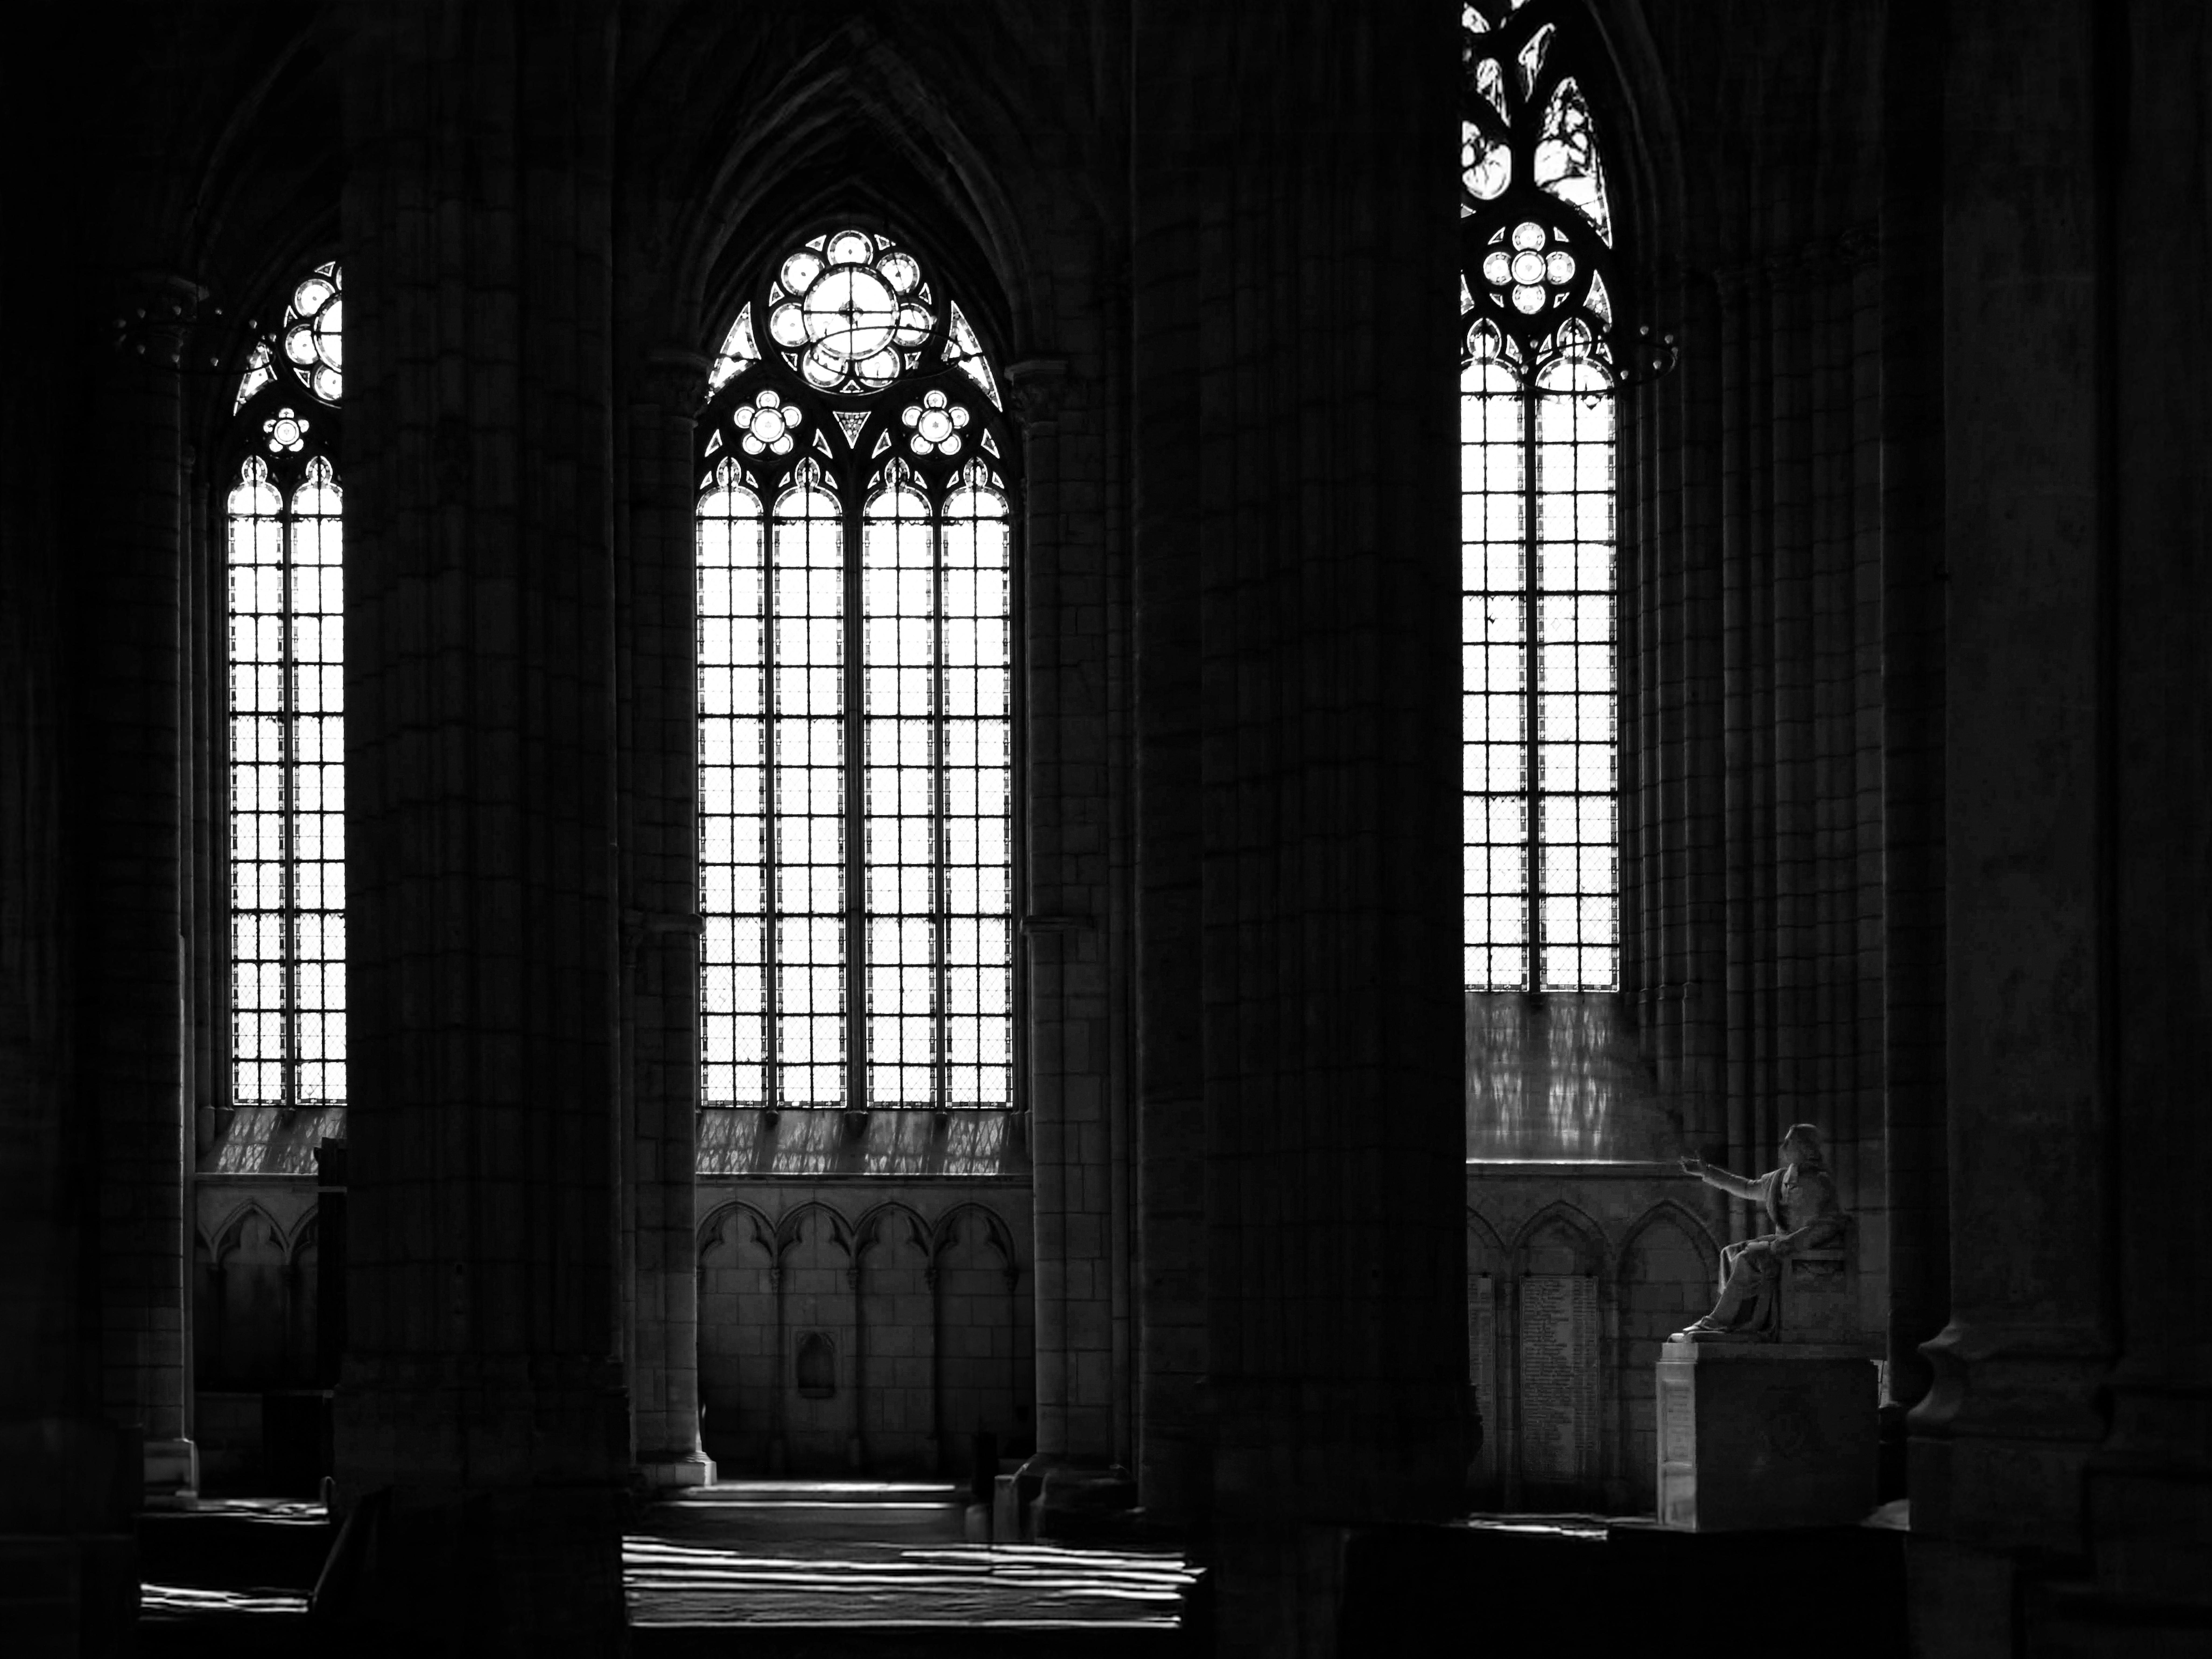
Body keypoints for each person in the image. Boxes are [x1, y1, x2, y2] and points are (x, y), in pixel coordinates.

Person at [1673, 1122, 1844, 1341]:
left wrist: (1792, 1243)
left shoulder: (1821, 1183)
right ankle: (1737, 1320)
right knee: (1730, 1253)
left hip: (1804, 1251)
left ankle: (1718, 1323)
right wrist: (1707, 1172)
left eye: (1789, 1142)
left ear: (1805, 1147)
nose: (1783, 1147)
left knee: (1748, 1258)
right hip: (1782, 1246)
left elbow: (1829, 1224)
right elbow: (1745, 1187)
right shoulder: (1778, 1179)